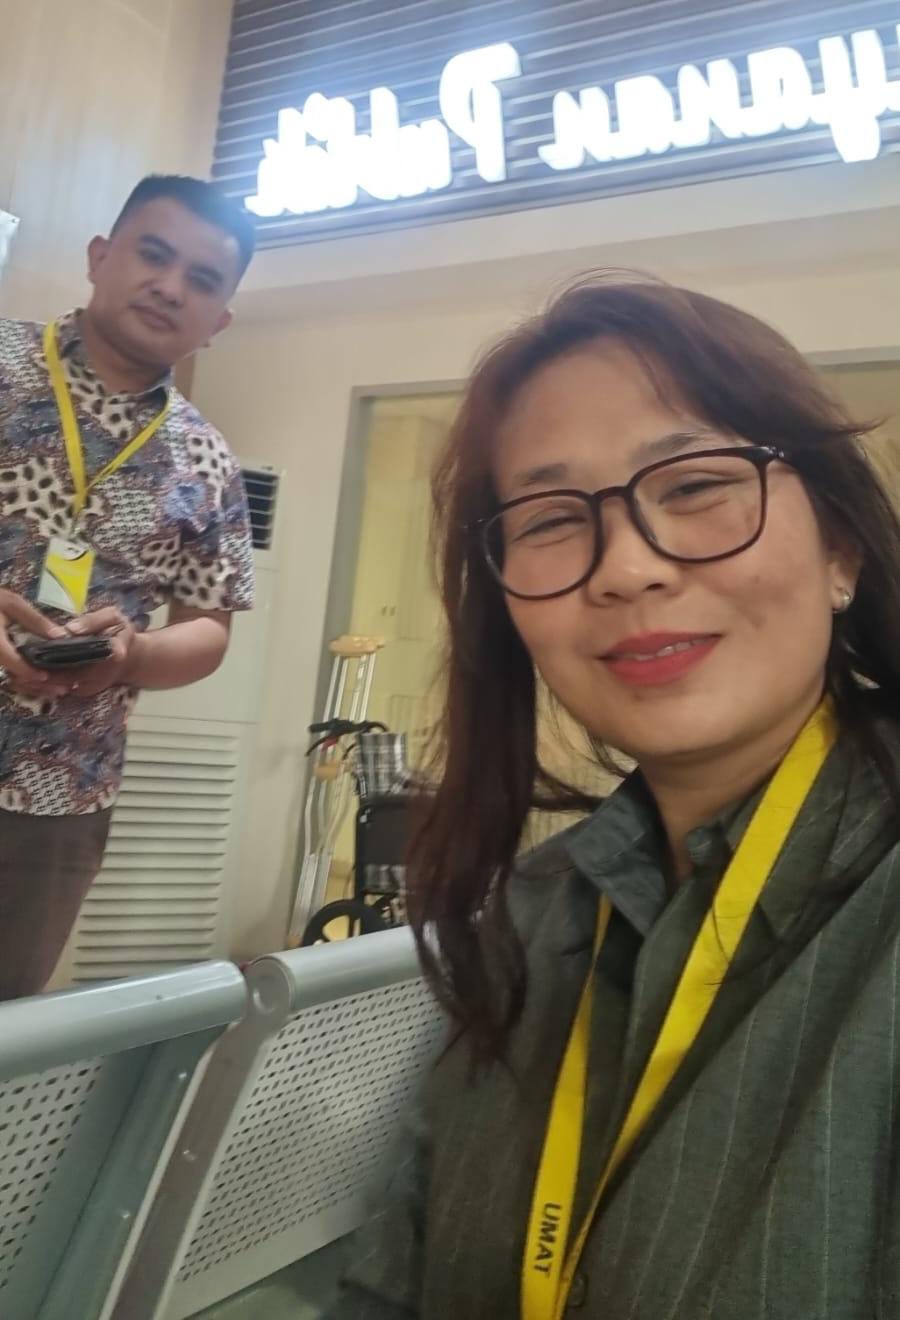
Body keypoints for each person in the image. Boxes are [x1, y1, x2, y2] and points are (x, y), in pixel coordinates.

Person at [330, 272, 900, 1318]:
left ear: (841, 549)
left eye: (694, 486)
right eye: (551, 519)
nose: (626, 569)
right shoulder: (529, 912)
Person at [0, 175, 256, 998]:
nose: (170, 287)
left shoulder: (207, 458)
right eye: (153, 254)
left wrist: (133, 654)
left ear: (217, 322)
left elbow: (209, 628)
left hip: (57, 794)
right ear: (100, 257)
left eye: (201, 280)